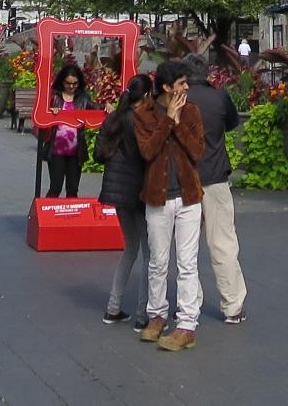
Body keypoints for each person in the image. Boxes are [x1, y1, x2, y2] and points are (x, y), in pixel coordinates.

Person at [134, 59, 205, 352]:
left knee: (187, 263)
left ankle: (187, 324)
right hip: (158, 197)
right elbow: (148, 151)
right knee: (158, 261)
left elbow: (198, 151)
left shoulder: (192, 111)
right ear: (166, 87)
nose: (187, 87)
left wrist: (178, 123)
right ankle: (157, 315)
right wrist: (167, 121)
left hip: (188, 197)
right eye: (181, 84)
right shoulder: (143, 113)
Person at [183, 53, 246, 325]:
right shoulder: (219, 98)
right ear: (207, 72)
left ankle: (190, 302)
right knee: (223, 243)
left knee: (186, 247)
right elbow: (231, 125)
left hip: (184, 179)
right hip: (216, 176)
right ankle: (232, 306)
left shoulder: (179, 99)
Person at [95, 73, 155, 326]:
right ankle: (143, 314)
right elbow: (148, 154)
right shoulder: (138, 120)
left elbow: (99, 153)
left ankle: (113, 306)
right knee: (149, 254)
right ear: (148, 95)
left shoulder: (115, 117)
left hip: (116, 191)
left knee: (130, 248)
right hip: (137, 191)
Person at [38, 62, 91, 197]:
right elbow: (41, 114)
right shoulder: (54, 96)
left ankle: (71, 217)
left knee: (73, 189)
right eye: (68, 83)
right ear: (62, 81)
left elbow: (97, 109)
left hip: (75, 151)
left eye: (75, 83)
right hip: (56, 150)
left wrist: (107, 106)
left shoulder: (83, 98)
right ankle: (48, 216)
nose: (71, 87)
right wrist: (50, 110)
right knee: (55, 187)